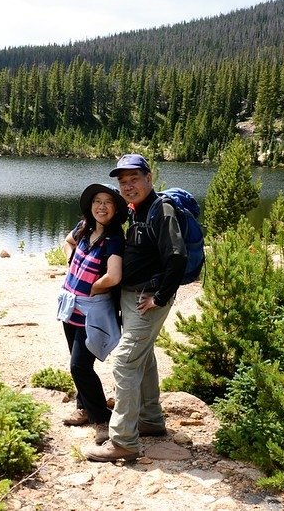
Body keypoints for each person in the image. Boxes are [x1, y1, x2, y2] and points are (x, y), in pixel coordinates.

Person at [83, 154, 187, 462]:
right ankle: (150, 420)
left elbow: (177, 257)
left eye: (134, 180)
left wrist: (160, 297)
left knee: (126, 362)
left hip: (147, 300)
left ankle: (124, 441)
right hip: (132, 298)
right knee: (144, 357)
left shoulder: (162, 209)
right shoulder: (136, 210)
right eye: (123, 182)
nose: (128, 187)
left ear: (149, 178)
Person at [56, 183, 127, 445]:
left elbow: (114, 276)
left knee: (80, 365)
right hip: (70, 306)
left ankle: (101, 419)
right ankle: (83, 406)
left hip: (92, 311)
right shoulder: (85, 227)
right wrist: (69, 256)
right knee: (77, 363)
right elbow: (67, 241)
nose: (102, 206)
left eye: (108, 202)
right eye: (98, 201)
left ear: (116, 209)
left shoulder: (114, 239)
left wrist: (93, 287)